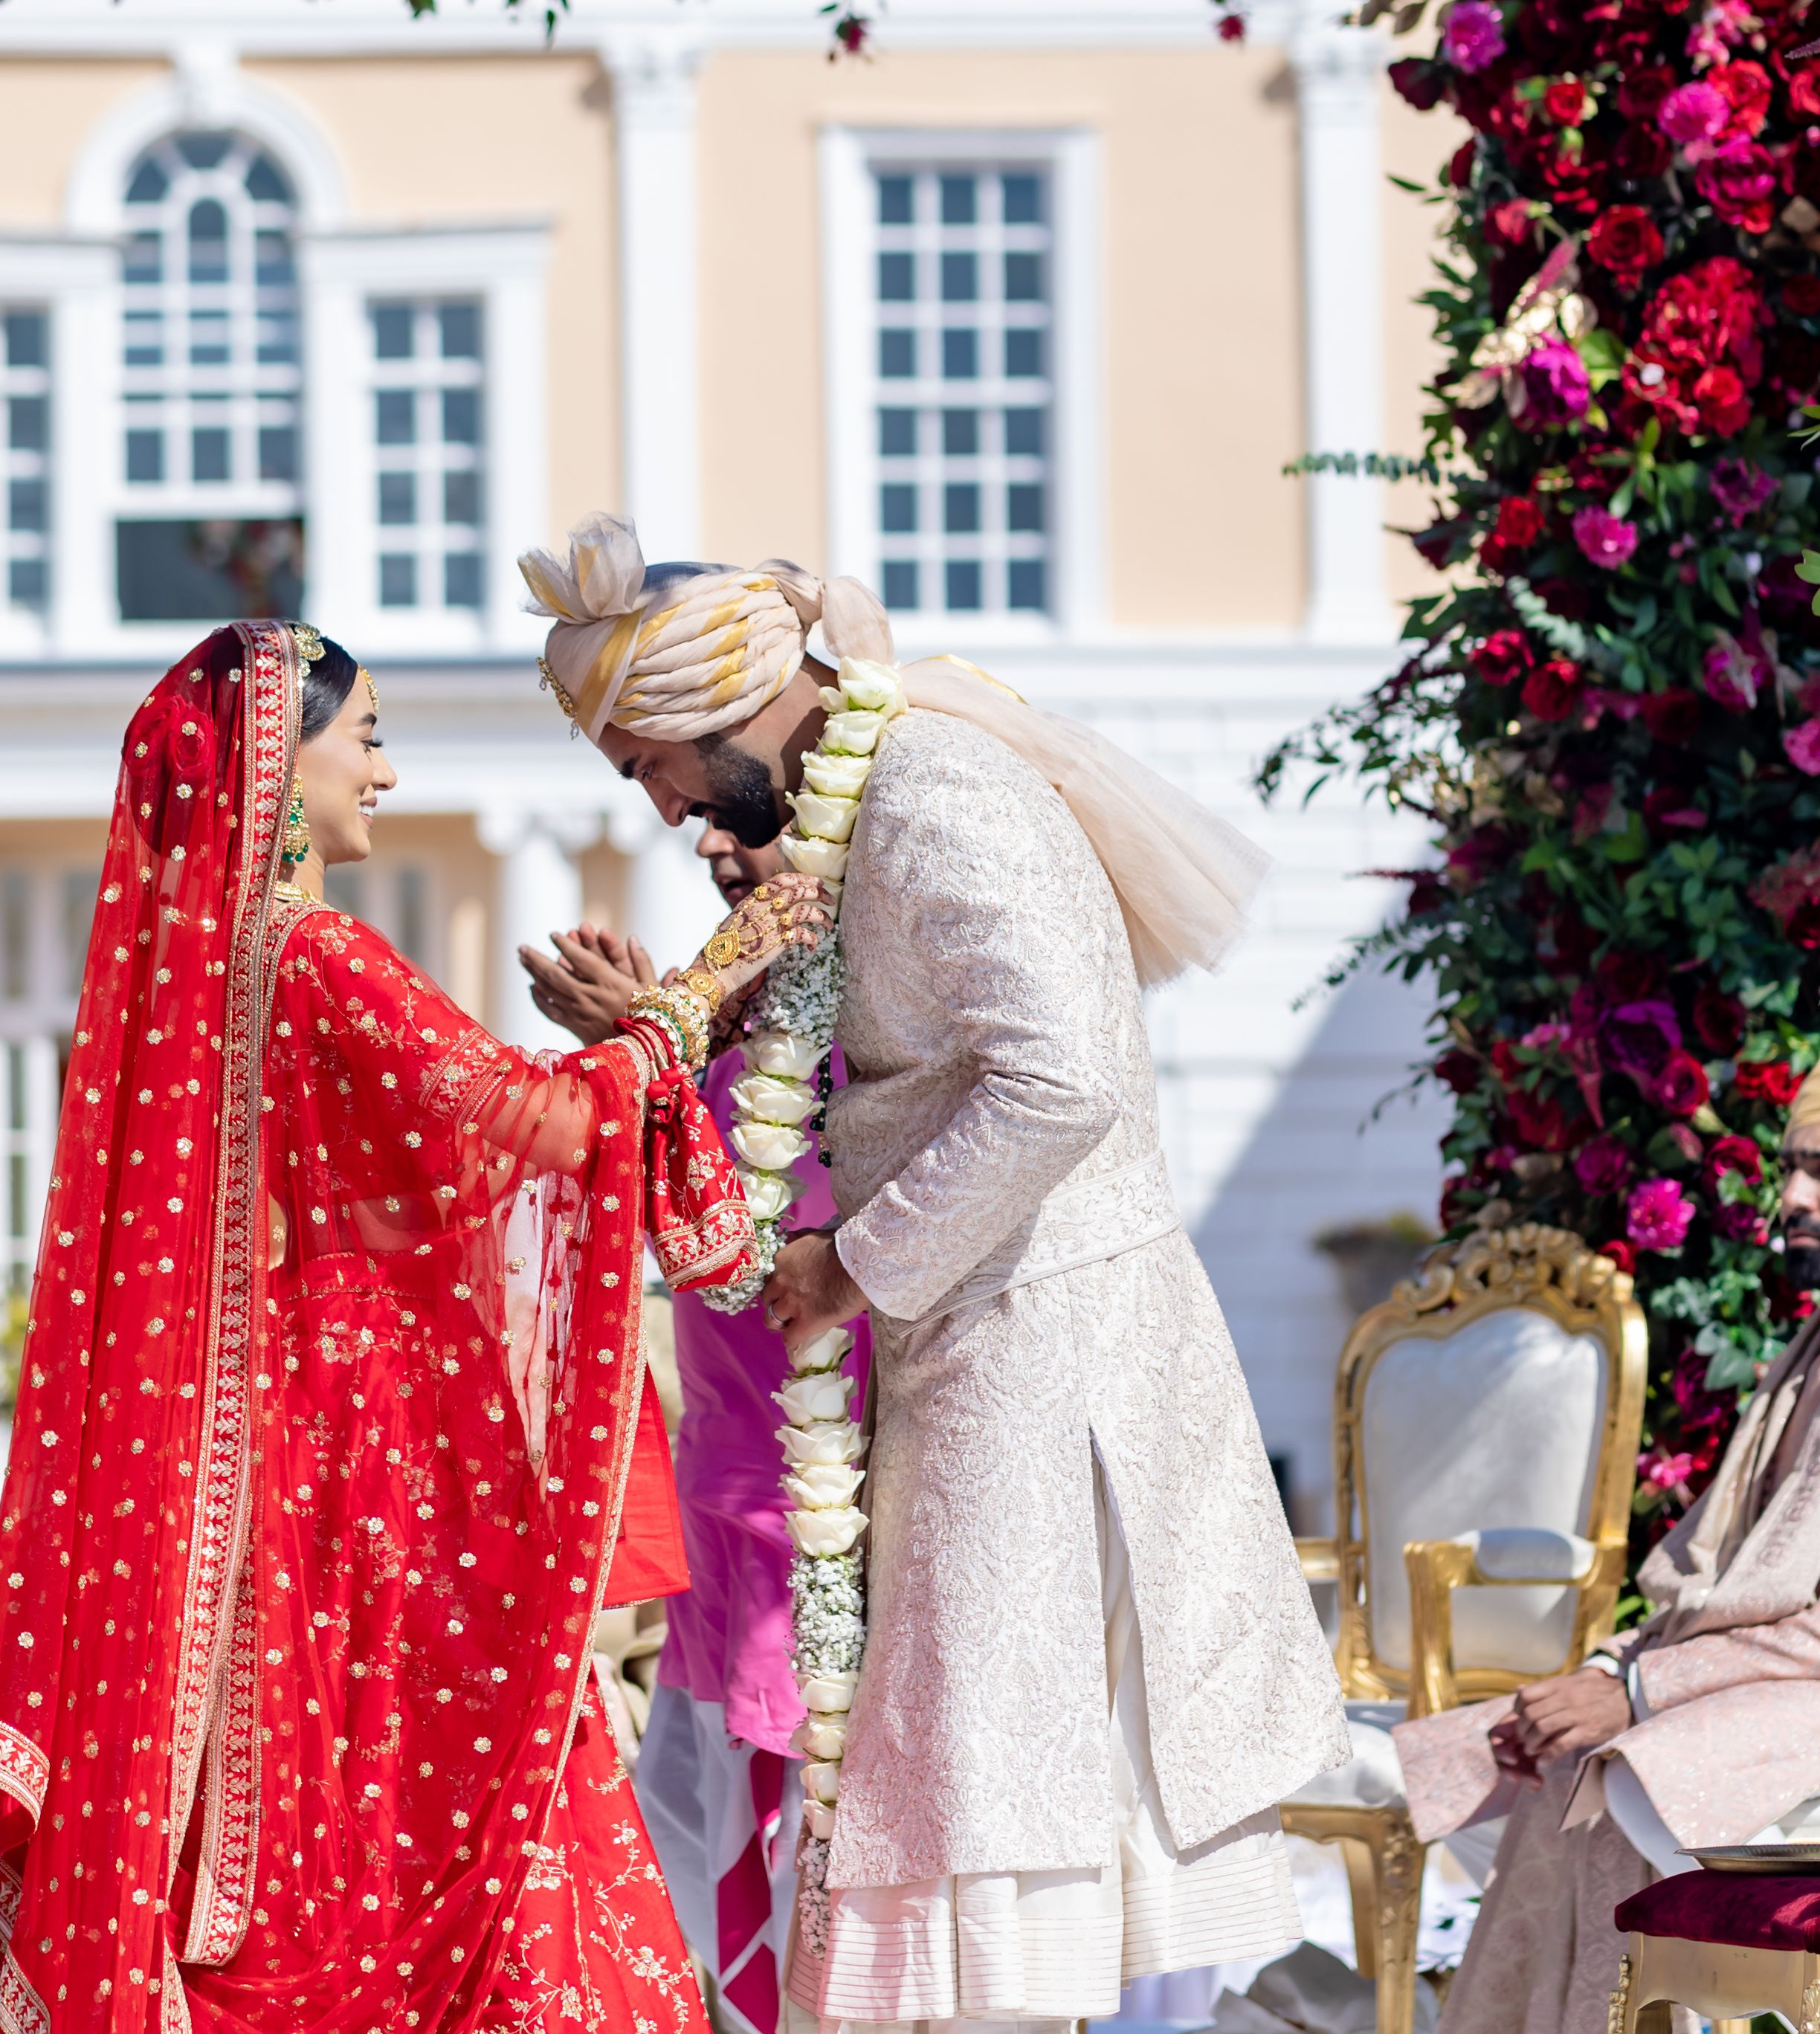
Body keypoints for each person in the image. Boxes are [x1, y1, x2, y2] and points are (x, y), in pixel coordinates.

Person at [0, 622, 832, 2034]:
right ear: (279, 762)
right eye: (366, 736)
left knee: (318, 1831)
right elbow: (544, 1123)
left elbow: (433, 1167)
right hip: (355, 1479)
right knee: (451, 1813)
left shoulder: (220, 980)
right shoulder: (314, 956)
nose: (384, 770)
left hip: (290, 1465)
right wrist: (710, 983)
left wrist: (642, 1026)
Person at [521, 513, 1349, 2033]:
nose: (660, 811)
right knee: (967, 1819)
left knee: (1008, 1829)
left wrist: (854, 1264)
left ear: (716, 714)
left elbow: (1064, 1076)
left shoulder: (932, 788)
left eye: (650, 767)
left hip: (1045, 1354)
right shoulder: (871, 803)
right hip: (980, 1361)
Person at [520, 827, 873, 2034]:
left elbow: (758, 1268)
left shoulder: (864, 1044)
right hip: (723, 1500)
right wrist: (656, 1046)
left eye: (753, 812)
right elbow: (681, 1240)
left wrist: (648, 1054)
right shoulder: (738, 1037)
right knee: (700, 1859)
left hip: (820, 1521)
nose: (714, 839)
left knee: (803, 1865)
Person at [1391, 1066, 1820, 2034]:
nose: (1792, 1199)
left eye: (1819, 1173)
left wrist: (1632, 1695)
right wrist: (1600, 1671)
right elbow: (1720, 1580)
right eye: (1792, 1171)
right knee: (1527, 1750)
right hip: (1761, 1687)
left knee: (1616, 1765)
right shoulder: (1807, 1355)